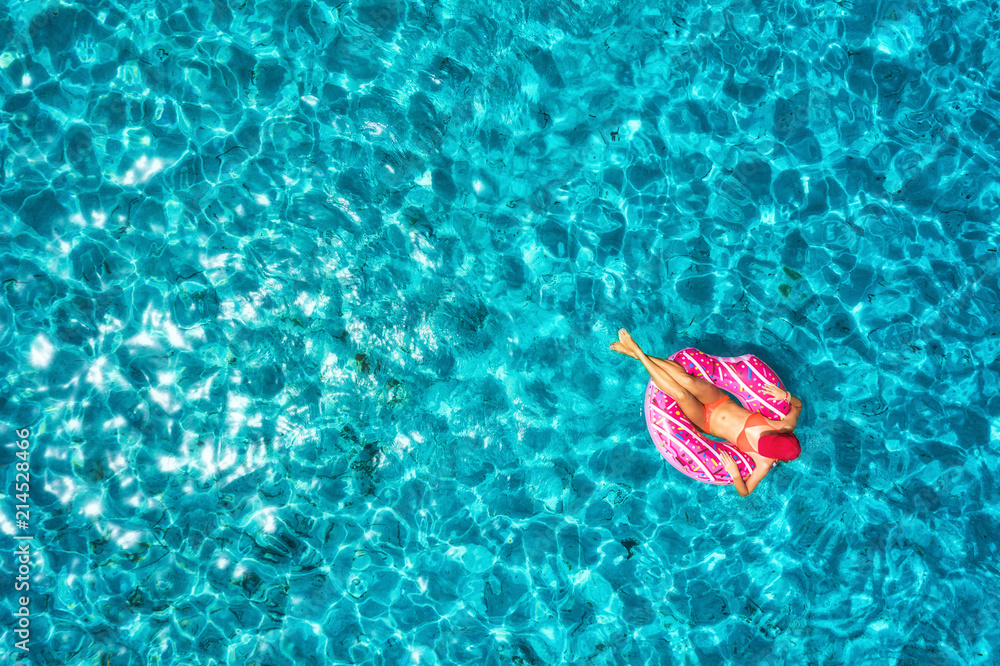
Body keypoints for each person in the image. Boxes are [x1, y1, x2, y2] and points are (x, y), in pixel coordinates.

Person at [611, 329, 801, 497]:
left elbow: (745, 492)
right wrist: (785, 395)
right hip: (718, 400)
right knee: (687, 380)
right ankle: (637, 353)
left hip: (706, 421)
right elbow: (798, 406)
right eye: (770, 437)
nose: (764, 438)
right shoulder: (785, 424)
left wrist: (735, 473)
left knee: (680, 394)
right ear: (782, 434)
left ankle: (636, 351)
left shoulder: (764, 462)